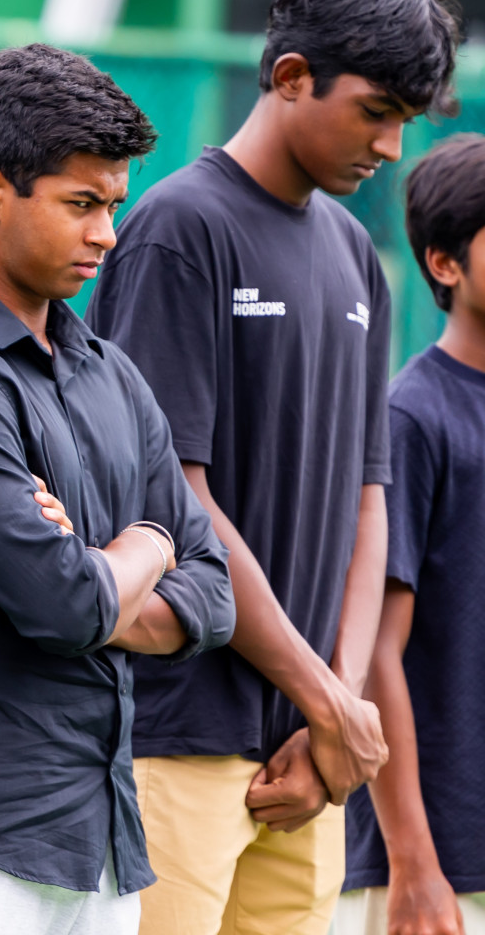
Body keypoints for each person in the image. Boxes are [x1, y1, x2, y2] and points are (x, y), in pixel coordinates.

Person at [85, 0, 462, 935]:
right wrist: (330, 699)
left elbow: (367, 498)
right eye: (375, 112)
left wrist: (332, 717)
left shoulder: (357, 257)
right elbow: (173, 498)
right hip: (178, 738)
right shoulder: (178, 230)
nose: (389, 148)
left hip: (308, 762)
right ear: (293, 78)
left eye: (404, 124)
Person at [0, 43, 235, 935]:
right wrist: (147, 545)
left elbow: (215, 594)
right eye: (82, 204)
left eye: (113, 205)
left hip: (104, 847)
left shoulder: (111, 374)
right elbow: (69, 606)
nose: (107, 233)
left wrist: (98, 570)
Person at [333, 134, 485, 935]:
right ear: (445, 264)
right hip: (440, 867)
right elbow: (377, 653)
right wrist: (413, 863)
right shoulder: (412, 414)